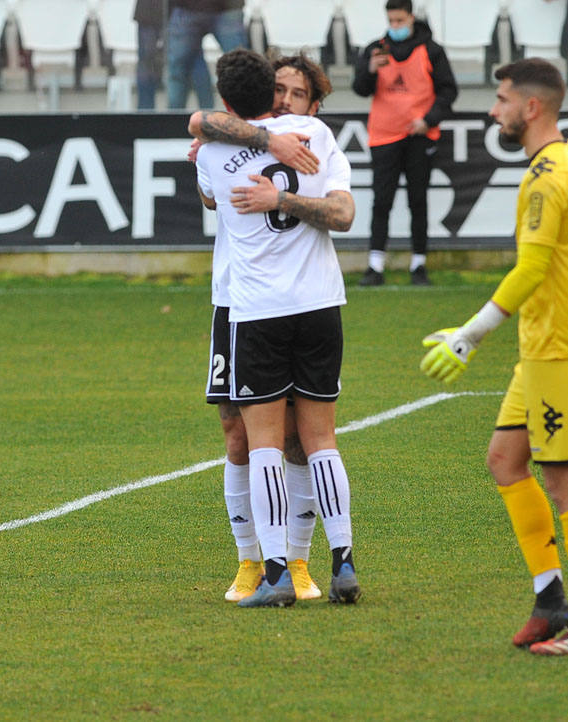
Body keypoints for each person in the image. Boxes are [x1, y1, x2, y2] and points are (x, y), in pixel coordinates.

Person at [420, 58, 568, 654]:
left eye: (500, 99)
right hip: (547, 349)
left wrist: (468, 335)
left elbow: (532, 267)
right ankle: (551, 600)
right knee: (505, 460)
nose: (494, 110)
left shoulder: (546, 177)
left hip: (559, 354)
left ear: (531, 107)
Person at [194, 48, 361, 608]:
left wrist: (267, 182)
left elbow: (204, 149)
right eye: (281, 89)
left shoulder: (217, 145)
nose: (289, 99)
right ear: (271, 94)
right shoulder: (311, 134)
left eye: (298, 91)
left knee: (277, 441)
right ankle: (328, 563)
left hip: (259, 307)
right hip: (290, 302)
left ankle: (284, 568)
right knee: (258, 436)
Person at [352, 0, 457, 287]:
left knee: (417, 200)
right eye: (391, 21)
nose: (395, 26)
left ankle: (419, 265)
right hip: (384, 135)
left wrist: (429, 120)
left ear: (411, 17)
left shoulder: (432, 50)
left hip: (419, 136)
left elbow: (448, 91)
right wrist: (370, 69)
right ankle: (375, 267)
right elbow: (360, 88)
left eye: (400, 20)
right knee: (381, 201)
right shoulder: (376, 48)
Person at [167, 0, 247, 110]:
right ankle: (172, 122)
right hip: (187, 8)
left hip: (227, 8)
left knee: (243, 68)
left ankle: (247, 120)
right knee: (178, 72)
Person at [134, 0, 211, 110]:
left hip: (181, 10)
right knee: (194, 60)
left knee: (194, 60)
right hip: (179, 10)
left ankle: (147, 114)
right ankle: (208, 112)